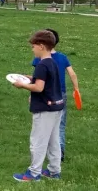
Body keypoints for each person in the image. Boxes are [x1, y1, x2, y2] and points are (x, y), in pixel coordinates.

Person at [12, 30, 64, 181]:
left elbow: (39, 88)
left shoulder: (41, 65)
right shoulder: (52, 62)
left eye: (33, 46)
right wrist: (31, 78)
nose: (32, 49)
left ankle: (34, 173)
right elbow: (45, 80)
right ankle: (54, 171)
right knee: (54, 140)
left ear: (41, 46)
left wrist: (22, 85)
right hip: (57, 106)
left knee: (38, 141)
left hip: (44, 108)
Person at [31, 28, 80, 162]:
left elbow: (37, 78)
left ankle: (42, 155)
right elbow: (72, 74)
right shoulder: (63, 57)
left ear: (42, 45)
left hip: (46, 94)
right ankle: (60, 152)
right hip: (61, 94)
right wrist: (76, 90)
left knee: (44, 125)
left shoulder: (41, 60)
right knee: (60, 124)